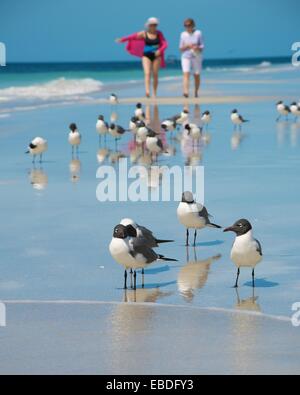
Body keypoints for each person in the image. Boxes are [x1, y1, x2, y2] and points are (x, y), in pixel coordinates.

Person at [116, 17, 168, 98]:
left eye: (155, 25)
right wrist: (123, 39)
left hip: (156, 56)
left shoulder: (159, 33)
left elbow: (165, 44)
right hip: (146, 55)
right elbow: (132, 36)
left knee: (155, 74)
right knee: (147, 73)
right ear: (148, 25)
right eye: (151, 25)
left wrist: (160, 51)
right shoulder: (144, 33)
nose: (153, 26)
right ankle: (147, 92)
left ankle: (154, 93)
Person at [180, 19, 204, 98]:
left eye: (189, 25)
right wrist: (187, 46)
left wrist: (197, 47)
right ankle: (186, 91)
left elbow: (202, 46)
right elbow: (180, 48)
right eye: (186, 25)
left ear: (193, 25)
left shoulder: (198, 33)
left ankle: (196, 91)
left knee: (196, 74)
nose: (187, 27)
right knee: (186, 73)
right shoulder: (183, 34)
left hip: (196, 55)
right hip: (186, 56)